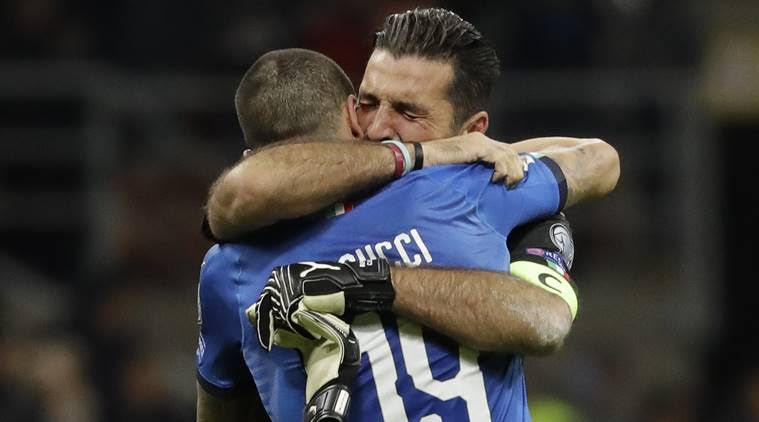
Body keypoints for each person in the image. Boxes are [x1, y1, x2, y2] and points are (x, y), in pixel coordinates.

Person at [196, 46, 617, 422]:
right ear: (351, 116)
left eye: (406, 112)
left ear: (248, 156)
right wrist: (454, 155)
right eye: (369, 105)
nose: (381, 126)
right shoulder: (453, 188)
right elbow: (596, 159)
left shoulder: (226, 273)